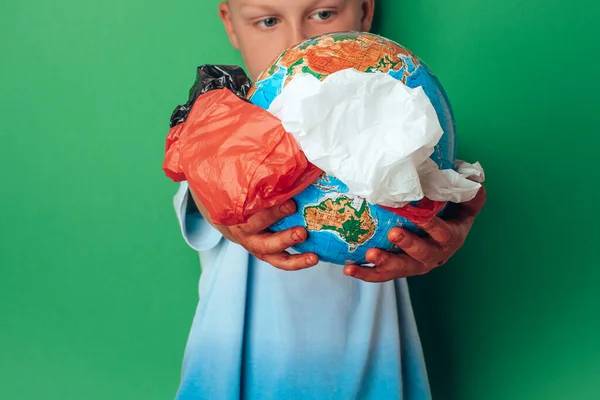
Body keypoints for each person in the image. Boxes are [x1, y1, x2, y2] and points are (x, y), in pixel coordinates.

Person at [171, 0, 486, 399]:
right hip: (238, 381)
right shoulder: (220, 142)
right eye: (268, 21)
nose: (297, 42)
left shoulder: (402, 142)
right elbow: (202, 184)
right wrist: (227, 209)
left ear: (365, 13)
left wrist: (445, 221)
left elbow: (446, 195)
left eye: (323, 14)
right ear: (231, 25)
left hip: (376, 377)